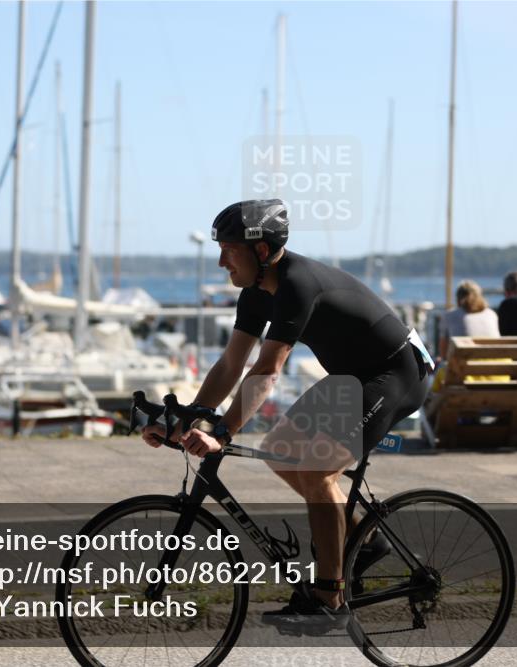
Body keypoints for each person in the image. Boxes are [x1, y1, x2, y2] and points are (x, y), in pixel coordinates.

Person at [141, 199, 432, 634]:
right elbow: (231, 363)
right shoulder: (255, 294)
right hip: (354, 376)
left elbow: (267, 370)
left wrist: (222, 432)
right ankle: (364, 543)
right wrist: (190, 418)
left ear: (261, 252)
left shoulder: (297, 284)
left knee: (317, 471)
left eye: (229, 250)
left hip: (396, 371)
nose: (221, 260)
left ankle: (329, 598)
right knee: (280, 453)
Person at [438, 280, 499, 359]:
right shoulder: (492, 314)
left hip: (464, 370)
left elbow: (444, 354)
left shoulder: (449, 316)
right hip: (498, 368)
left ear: (458, 299)